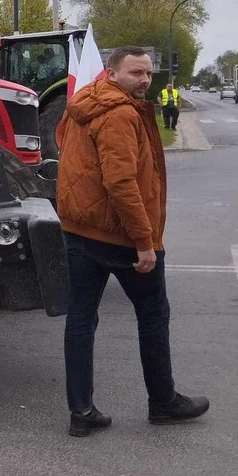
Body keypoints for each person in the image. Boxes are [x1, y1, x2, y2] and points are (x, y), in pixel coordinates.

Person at [55, 46, 208, 437]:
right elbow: (121, 184)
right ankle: (163, 402)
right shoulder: (120, 114)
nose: (143, 80)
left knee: (81, 318)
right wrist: (144, 242)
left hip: (79, 229)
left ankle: (81, 412)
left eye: (147, 74)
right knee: (154, 313)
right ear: (111, 73)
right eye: (135, 73)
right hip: (120, 235)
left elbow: (63, 144)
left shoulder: (80, 104)